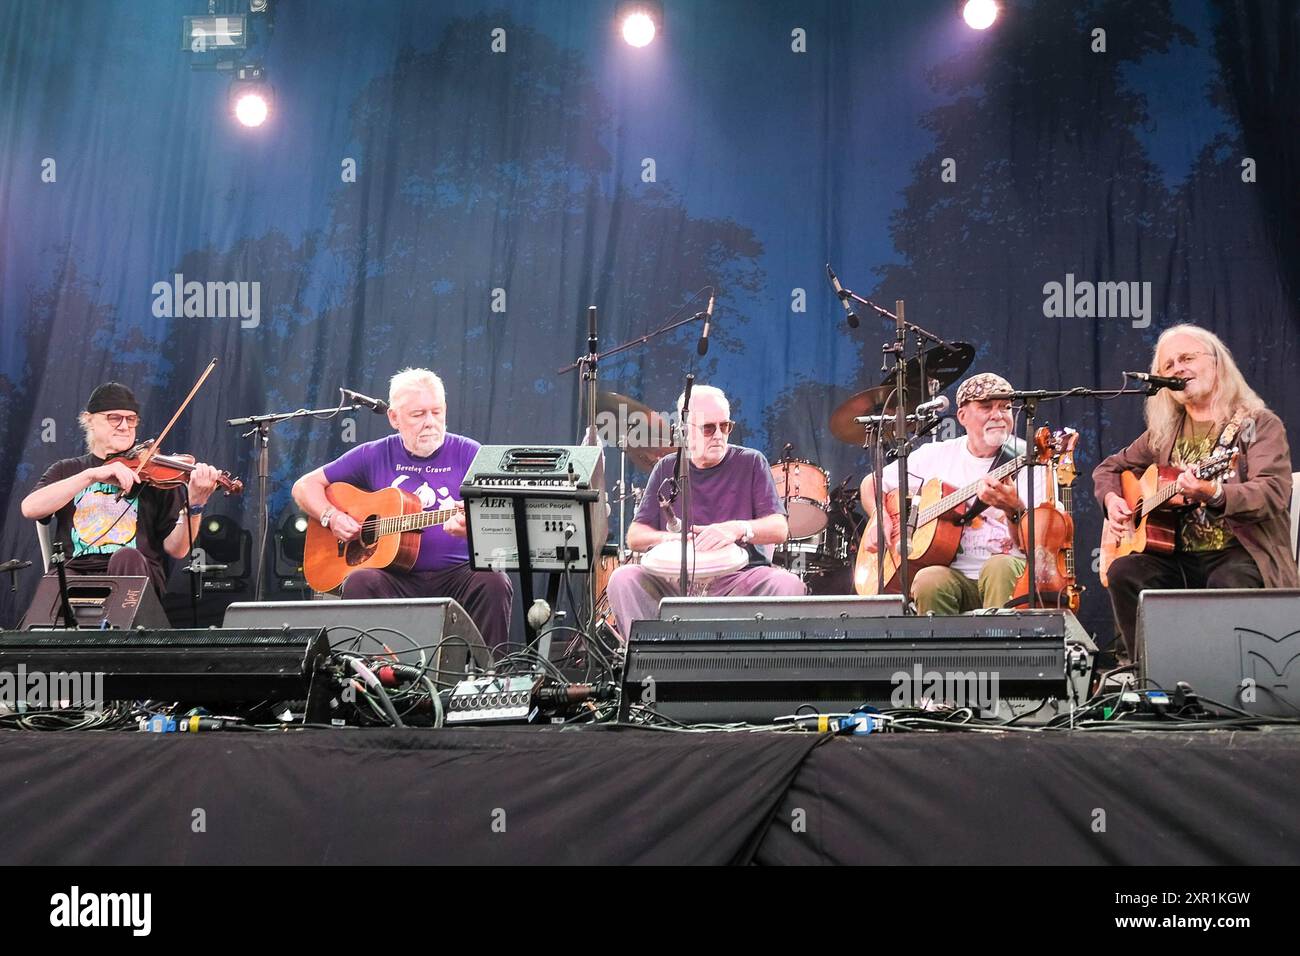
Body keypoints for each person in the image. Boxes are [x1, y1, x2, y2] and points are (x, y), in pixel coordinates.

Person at [1094, 324, 1297, 664]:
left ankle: (1228, 685)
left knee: (1229, 582)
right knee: (1125, 572)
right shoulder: (1164, 433)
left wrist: (1215, 493)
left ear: (1217, 363)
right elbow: (1108, 469)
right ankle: (1151, 678)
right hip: (1175, 557)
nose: (1178, 369)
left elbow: (1272, 491)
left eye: (1187, 358)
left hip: (1240, 552)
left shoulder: (1258, 425)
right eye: (1169, 365)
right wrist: (1112, 501)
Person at [291, 368, 512, 648]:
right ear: (394, 418)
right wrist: (331, 516)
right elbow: (304, 486)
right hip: (394, 578)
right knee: (359, 581)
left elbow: (504, 517)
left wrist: (476, 528)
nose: (430, 422)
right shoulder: (374, 454)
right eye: (418, 415)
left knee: (493, 580)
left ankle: (490, 672)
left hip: (458, 575)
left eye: (436, 412)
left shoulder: (471, 453)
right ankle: (370, 673)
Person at [605, 385, 805, 635]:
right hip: (676, 580)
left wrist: (737, 529)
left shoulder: (752, 461)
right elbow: (635, 536)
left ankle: (754, 660)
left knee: (787, 584)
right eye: (709, 428)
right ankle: (655, 656)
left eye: (725, 426)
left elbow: (779, 528)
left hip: (738, 579)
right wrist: (673, 539)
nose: (719, 435)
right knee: (623, 579)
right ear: (685, 430)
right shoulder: (667, 467)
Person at [858, 372, 1047, 614]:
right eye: (986, 407)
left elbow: (1037, 545)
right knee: (928, 580)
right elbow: (872, 482)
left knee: (998, 567)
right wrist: (879, 516)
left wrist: (1013, 509)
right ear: (962, 416)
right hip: (954, 576)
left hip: (1009, 573)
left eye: (1005, 407)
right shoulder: (936, 455)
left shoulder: (1029, 460)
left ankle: (1000, 640)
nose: (998, 415)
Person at [20, 382, 220, 597]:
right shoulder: (67, 470)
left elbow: (177, 550)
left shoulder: (155, 474)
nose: (125, 426)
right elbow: (30, 509)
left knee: (126, 557)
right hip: (76, 572)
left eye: (131, 419)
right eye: (114, 418)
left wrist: (195, 506)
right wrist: (91, 475)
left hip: (134, 573)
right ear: (89, 420)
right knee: (56, 581)